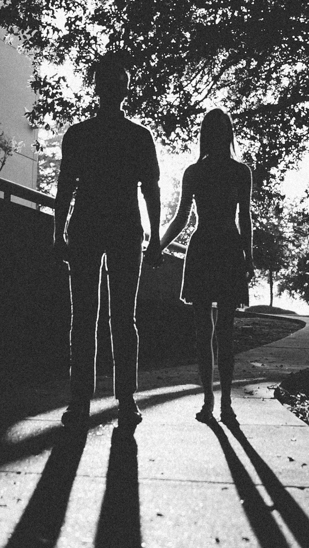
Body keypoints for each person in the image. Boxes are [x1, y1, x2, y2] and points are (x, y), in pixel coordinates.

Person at [53, 56, 161, 430]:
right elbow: (151, 190)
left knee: (83, 316)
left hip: (86, 226)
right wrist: (157, 236)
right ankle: (125, 400)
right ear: (124, 89)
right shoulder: (138, 136)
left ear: (96, 88)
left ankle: (80, 401)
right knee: (121, 318)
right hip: (124, 228)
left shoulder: (79, 135)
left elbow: (65, 187)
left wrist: (57, 233)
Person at [154, 108, 252, 424]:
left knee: (217, 331)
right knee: (210, 331)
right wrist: (158, 245)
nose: (219, 136)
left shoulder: (232, 172)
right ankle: (213, 400)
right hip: (213, 248)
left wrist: (248, 257)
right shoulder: (202, 172)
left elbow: (244, 216)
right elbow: (184, 215)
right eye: (215, 131)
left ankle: (220, 401)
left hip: (220, 248)